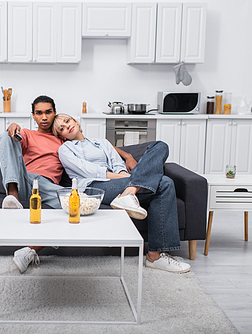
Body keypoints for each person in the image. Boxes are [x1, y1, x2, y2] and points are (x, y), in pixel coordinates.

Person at [0, 96, 137, 273]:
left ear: (54, 113)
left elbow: (97, 144)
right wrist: (12, 127)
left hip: (50, 188)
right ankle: (12, 195)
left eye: (48, 112)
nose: (44, 117)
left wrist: (128, 156)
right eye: (39, 113)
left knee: (77, 206)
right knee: (4, 136)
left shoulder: (63, 140)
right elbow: (9, 142)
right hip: (27, 182)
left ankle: (30, 250)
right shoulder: (27, 134)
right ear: (33, 116)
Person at [52, 113, 190, 273]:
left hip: (121, 181)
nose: (67, 126)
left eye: (67, 121)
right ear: (61, 136)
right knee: (164, 182)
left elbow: (117, 163)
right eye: (61, 128)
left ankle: (129, 193)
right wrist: (127, 177)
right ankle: (155, 257)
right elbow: (89, 171)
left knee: (160, 146)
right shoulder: (65, 149)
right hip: (96, 186)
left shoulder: (102, 142)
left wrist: (126, 174)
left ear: (75, 120)